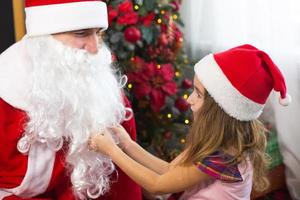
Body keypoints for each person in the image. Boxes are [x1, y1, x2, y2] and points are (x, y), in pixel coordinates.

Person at [90, 44, 291, 199]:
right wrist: (128, 145)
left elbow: (158, 184)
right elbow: (169, 171)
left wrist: (111, 150)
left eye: (198, 94)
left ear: (221, 110)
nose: (189, 99)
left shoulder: (224, 157)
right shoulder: (216, 142)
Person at [0, 0, 142, 199]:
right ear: (45, 37)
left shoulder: (101, 82)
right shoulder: (5, 89)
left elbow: (123, 177)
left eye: (98, 33)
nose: (95, 48)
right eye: (81, 34)